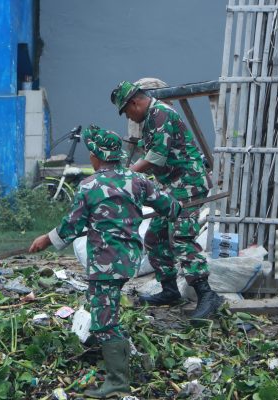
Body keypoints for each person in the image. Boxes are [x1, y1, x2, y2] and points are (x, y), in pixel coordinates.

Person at [29, 126, 181, 399]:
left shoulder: (89, 186)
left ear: (96, 157)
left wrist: (45, 240)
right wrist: (177, 208)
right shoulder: (137, 181)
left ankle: (117, 383)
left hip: (106, 263)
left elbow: (71, 227)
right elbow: (169, 206)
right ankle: (120, 371)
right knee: (108, 316)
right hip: (129, 260)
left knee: (103, 322)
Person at [111, 80, 223, 320]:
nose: (129, 117)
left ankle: (207, 295)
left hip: (188, 186)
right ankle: (170, 290)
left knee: (181, 238)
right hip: (171, 188)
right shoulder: (150, 119)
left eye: (127, 111)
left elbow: (156, 157)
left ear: (134, 102)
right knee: (155, 237)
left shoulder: (160, 114)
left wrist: (127, 175)